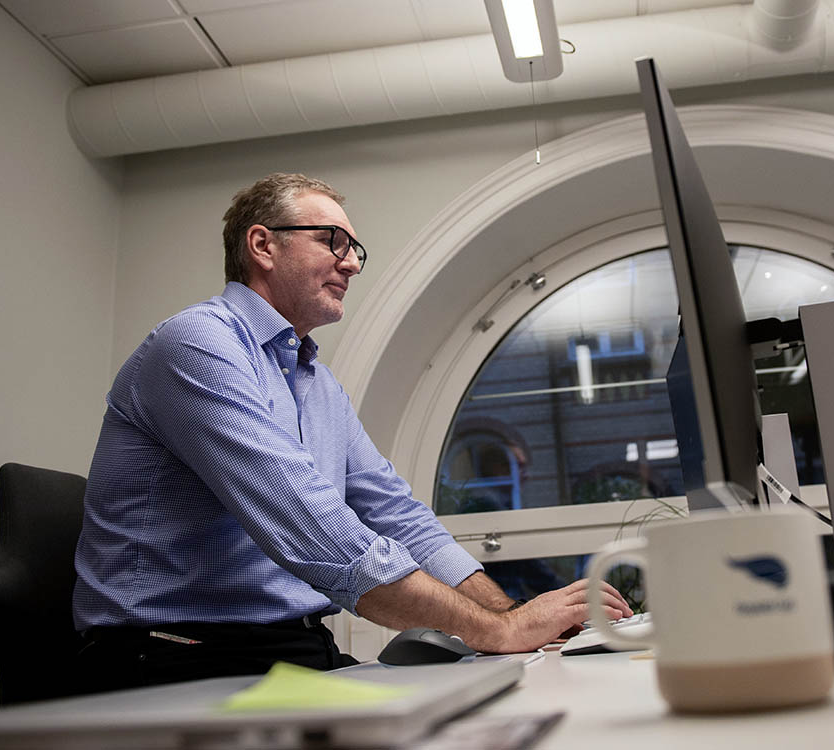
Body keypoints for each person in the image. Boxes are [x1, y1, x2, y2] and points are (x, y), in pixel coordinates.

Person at [73, 173, 631, 692]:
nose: (352, 264)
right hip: (175, 658)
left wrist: (507, 613)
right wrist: (496, 633)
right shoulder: (196, 346)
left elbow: (396, 514)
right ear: (263, 246)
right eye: (333, 241)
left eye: (353, 249)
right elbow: (316, 530)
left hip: (287, 650)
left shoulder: (317, 383)